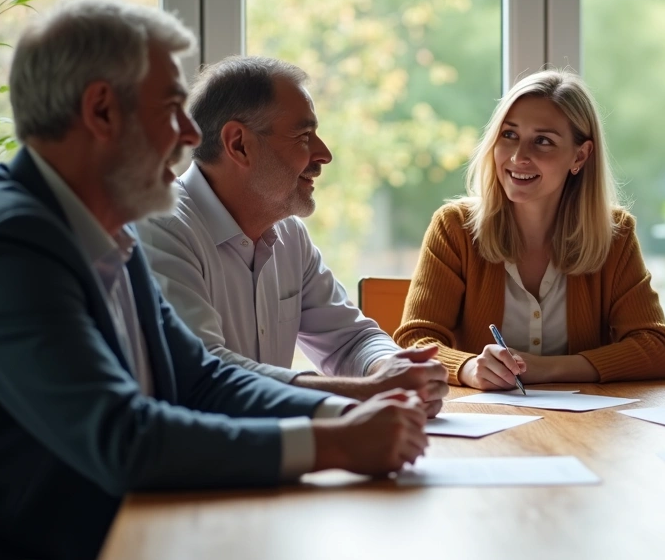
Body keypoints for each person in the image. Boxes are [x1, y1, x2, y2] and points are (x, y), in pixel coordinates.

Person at [0, 0, 428, 560]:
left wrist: (337, 418)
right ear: (102, 111)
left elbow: (201, 379)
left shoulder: (105, 224)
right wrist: (333, 444)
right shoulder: (11, 238)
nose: (189, 136)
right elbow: (123, 437)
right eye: (172, 110)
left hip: (130, 529)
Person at [138, 56, 448, 418]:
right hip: (194, 468)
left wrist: (395, 368)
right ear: (238, 144)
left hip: (263, 457)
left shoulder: (288, 234)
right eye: (303, 136)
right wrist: (366, 391)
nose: (325, 155)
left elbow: (351, 339)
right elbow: (206, 371)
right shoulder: (160, 228)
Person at [395, 69, 665, 389]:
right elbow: (414, 341)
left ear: (580, 156)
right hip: (483, 424)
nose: (518, 156)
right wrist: (470, 368)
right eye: (509, 135)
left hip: (586, 429)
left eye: (542, 141)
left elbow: (657, 349)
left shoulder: (615, 235)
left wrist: (546, 369)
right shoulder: (453, 228)